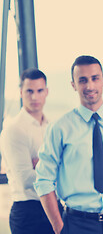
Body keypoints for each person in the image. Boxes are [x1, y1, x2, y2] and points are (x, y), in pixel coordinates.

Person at [34, 55, 103, 234]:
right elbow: (43, 180)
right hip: (78, 224)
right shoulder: (60, 128)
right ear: (73, 85)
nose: (90, 86)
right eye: (83, 80)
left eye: (95, 79)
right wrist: (59, 226)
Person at [0, 68, 57, 234]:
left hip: (53, 208)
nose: (34, 97)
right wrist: (56, 168)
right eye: (29, 91)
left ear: (46, 92)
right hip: (28, 211)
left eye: (39, 91)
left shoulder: (51, 127)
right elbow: (26, 179)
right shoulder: (14, 130)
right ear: (20, 92)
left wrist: (41, 165)